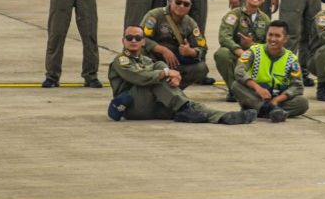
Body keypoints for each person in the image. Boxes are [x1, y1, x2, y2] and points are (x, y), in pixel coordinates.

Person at [107, 25, 256, 125]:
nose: (133, 41)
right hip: (132, 107)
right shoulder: (121, 60)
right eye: (129, 38)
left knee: (190, 107)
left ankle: (223, 116)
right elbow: (139, 77)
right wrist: (167, 73)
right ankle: (185, 107)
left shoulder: (145, 59)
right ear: (123, 41)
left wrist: (172, 76)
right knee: (159, 77)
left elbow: (157, 70)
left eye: (138, 38)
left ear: (143, 42)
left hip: (151, 104)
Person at [230, 21, 310, 122]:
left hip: (277, 98)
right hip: (256, 95)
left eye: (277, 36)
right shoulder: (254, 51)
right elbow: (239, 71)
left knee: (302, 103)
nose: (272, 39)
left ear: (285, 39)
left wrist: (276, 100)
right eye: (270, 35)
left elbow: (297, 86)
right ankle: (273, 112)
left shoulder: (291, 58)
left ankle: (261, 110)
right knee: (236, 85)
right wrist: (258, 88)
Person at [213, 0, 272, 101]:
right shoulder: (234, 15)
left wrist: (252, 46)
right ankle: (234, 90)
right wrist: (239, 50)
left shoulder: (265, 20)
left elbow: (269, 45)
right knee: (222, 53)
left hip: (254, 59)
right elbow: (224, 37)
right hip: (237, 57)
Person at [141, 0, 210, 88]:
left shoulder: (190, 23)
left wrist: (190, 51)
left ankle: (173, 90)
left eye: (186, 4)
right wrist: (163, 50)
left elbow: (202, 48)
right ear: (170, 1)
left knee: (201, 68)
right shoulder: (155, 15)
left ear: (190, 7)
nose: (181, 6)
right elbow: (141, 38)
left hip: (174, 63)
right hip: (153, 60)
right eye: (178, 2)